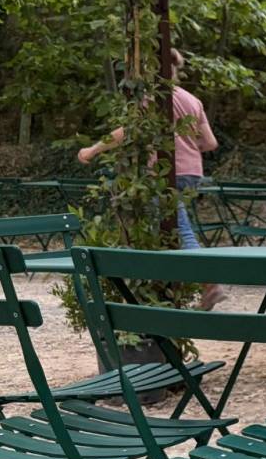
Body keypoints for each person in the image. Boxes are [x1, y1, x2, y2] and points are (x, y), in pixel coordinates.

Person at [79, 49, 226, 309]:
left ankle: (209, 282)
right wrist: (187, 145)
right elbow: (210, 143)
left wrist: (92, 150)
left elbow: (126, 131)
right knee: (171, 229)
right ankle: (176, 289)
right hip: (192, 173)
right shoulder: (193, 100)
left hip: (165, 173)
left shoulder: (153, 99)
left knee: (180, 231)